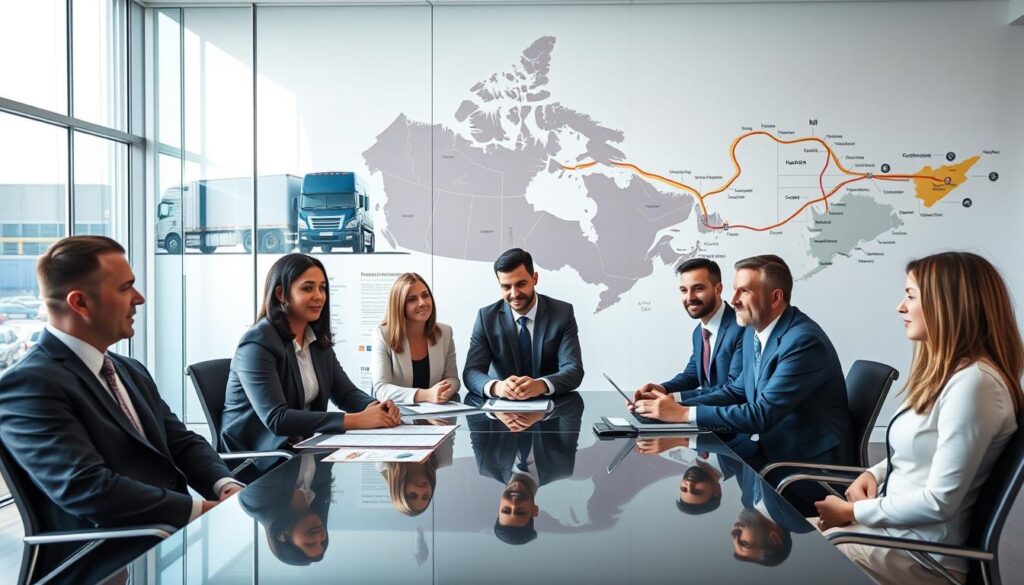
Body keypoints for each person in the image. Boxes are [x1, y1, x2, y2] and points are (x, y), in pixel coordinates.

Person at [0, 236, 240, 579]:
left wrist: (225, 485)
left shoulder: (128, 370)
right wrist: (199, 510)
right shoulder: (29, 385)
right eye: (126, 287)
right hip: (108, 563)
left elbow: (181, 442)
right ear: (80, 302)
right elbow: (87, 488)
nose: (139, 299)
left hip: (167, 546)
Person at [815, 252, 1023, 585]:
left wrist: (852, 512)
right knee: (777, 543)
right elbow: (922, 447)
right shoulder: (949, 376)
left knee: (783, 558)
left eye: (911, 295)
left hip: (916, 558)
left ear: (949, 305)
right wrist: (874, 472)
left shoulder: (976, 385)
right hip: (888, 536)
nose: (901, 307)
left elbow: (940, 503)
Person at [632, 254, 853, 512]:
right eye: (735, 290)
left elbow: (762, 414)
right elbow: (737, 390)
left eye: (744, 291)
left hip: (804, 470)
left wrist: (682, 414)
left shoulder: (803, 342)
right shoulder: (753, 332)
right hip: (769, 450)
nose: (733, 300)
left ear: (775, 298)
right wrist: (667, 406)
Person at [221, 253, 400, 456]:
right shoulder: (257, 344)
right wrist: (356, 420)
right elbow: (277, 419)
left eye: (322, 288)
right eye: (307, 288)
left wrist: (377, 407)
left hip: (303, 447)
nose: (319, 296)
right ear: (281, 294)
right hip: (261, 457)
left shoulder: (315, 340)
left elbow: (345, 393)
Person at [463, 248, 584, 400]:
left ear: (535, 278)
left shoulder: (562, 313)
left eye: (521, 284)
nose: (514, 294)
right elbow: (471, 372)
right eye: (506, 287)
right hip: (502, 410)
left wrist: (541, 385)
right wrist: (497, 387)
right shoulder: (486, 318)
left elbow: (574, 370)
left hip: (549, 411)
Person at [466, 393, 584, 544]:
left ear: (499, 507)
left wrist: (495, 413)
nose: (513, 504)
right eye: (520, 511)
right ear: (534, 510)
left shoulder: (486, 465)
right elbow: (574, 405)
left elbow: (471, 404)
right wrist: (541, 415)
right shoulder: (561, 467)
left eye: (506, 510)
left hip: (501, 382)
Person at [634, 258, 744, 402]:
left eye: (698, 289)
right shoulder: (699, 332)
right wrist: (662, 389)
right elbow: (693, 375)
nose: (690, 297)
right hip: (706, 419)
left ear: (718, 289)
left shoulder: (742, 328)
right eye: (684, 290)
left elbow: (733, 388)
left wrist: (672, 399)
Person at [371, 273, 460, 404]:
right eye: (412, 299)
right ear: (399, 305)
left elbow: (453, 379)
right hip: (397, 417)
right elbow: (381, 389)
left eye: (425, 295)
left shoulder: (445, 333)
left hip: (436, 416)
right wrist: (427, 395)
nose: (422, 303)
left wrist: (443, 391)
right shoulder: (382, 335)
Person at [239, 453, 334, 566]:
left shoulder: (257, 501)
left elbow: (275, 452)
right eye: (323, 542)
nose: (319, 537)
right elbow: (327, 451)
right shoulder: (315, 494)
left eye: (310, 544)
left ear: (282, 537)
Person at [378, 434, 453, 516]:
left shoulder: (383, 462)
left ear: (399, 491)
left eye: (413, 495)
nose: (421, 490)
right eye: (425, 496)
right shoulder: (443, 458)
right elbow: (445, 423)